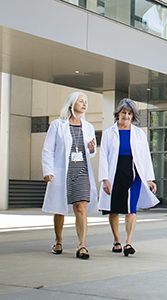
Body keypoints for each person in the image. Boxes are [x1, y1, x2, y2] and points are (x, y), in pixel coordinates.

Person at [98, 98, 159, 256]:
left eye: (129, 113)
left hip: (134, 173)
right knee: (114, 209)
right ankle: (117, 240)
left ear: (133, 116)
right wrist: (105, 179)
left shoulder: (139, 134)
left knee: (131, 209)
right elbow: (103, 157)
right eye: (123, 113)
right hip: (115, 172)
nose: (126, 116)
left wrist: (149, 179)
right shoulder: (108, 133)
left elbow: (145, 157)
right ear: (118, 114)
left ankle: (128, 242)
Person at [42, 91, 98, 259]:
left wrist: (92, 148)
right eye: (80, 101)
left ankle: (82, 246)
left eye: (85, 101)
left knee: (81, 206)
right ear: (71, 104)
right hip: (63, 171)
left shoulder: (88, 127)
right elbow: (48, 149)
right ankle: (58, 241)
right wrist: (48, 171)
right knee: (59, 208)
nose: (84, 103)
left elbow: (91, 153)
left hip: (81, 171)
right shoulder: (58, 125)